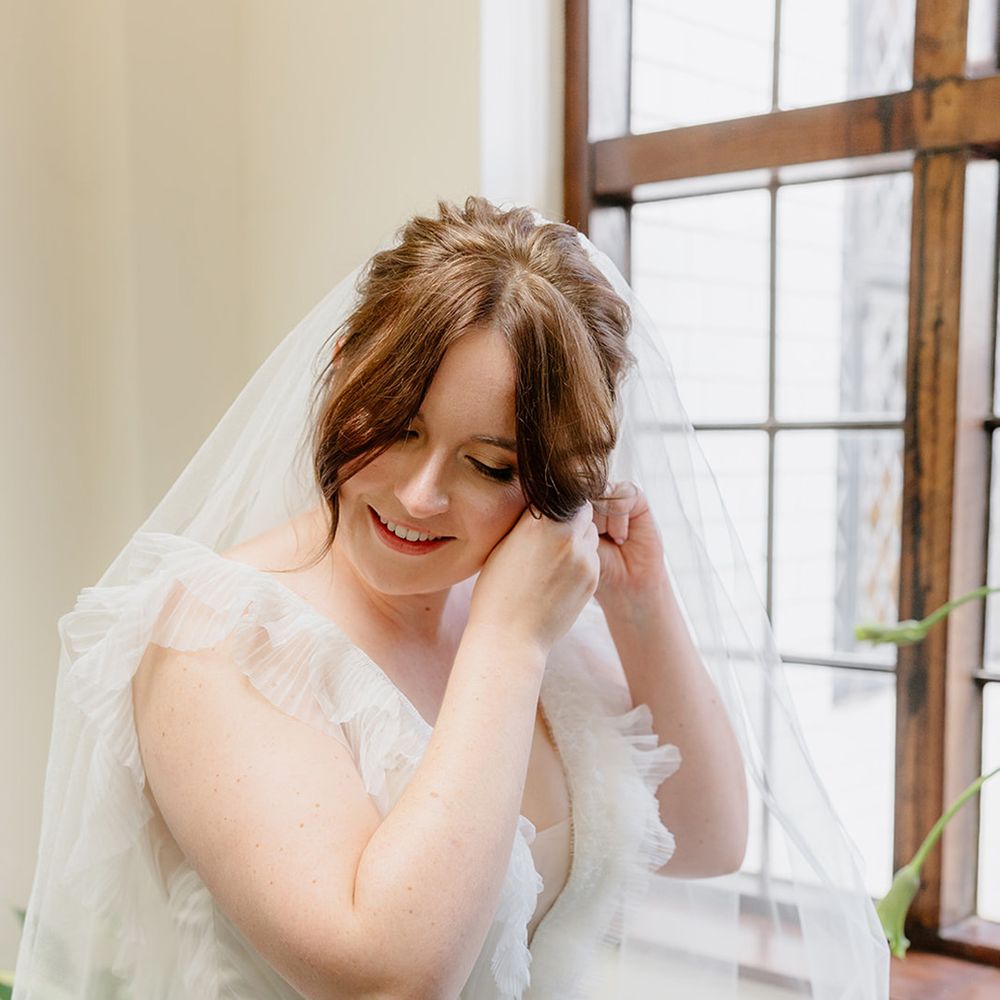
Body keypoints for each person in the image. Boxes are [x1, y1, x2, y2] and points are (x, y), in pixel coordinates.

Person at [13, 197, 889, 999]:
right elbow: (387, 975)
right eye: (397, 427)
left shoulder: (519, 601)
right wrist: (506, 644)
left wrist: (640, 603)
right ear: (341, 370)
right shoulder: (218, 637)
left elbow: (706, 839)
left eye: (490, 464)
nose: (421, 495)